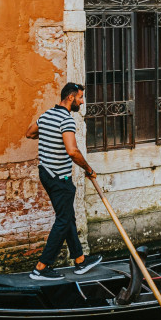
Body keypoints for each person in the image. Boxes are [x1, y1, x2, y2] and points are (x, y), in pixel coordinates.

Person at [24, 82, 103, 280]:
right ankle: (41, 268)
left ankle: (80, 260)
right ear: (70, 97)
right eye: (80, 97)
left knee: (67, 217)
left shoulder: (47, 115)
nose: (82, 102)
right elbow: (72, 151)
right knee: (63, 220)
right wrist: (89, 169)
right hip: (60, 178)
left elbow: (29, 133)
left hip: (46, 174)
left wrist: (49, 135)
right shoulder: (67, 120)